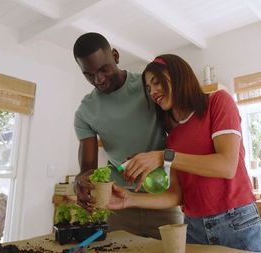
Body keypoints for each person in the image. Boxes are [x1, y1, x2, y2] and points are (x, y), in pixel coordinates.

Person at [108, 54, 261, 252]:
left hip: (237, 223)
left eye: (156, 82)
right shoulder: (174, 137)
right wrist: (129, 199)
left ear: (178, 75)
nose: (152, 92)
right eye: (148, 88)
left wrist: (163, 156)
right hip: (194, 229)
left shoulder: (218, 102)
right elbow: (176, 196)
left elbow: (227, 166)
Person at [72, 33, 183, 239]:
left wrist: (156, 158)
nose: (99, 79)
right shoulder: (86, 112)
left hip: (163, 201)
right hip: (119, 205)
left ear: (115, 55)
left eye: (103, 69)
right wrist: (80, 183)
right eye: (88, 74)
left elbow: (181, 140)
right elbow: (88, 169)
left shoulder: (148, 88)